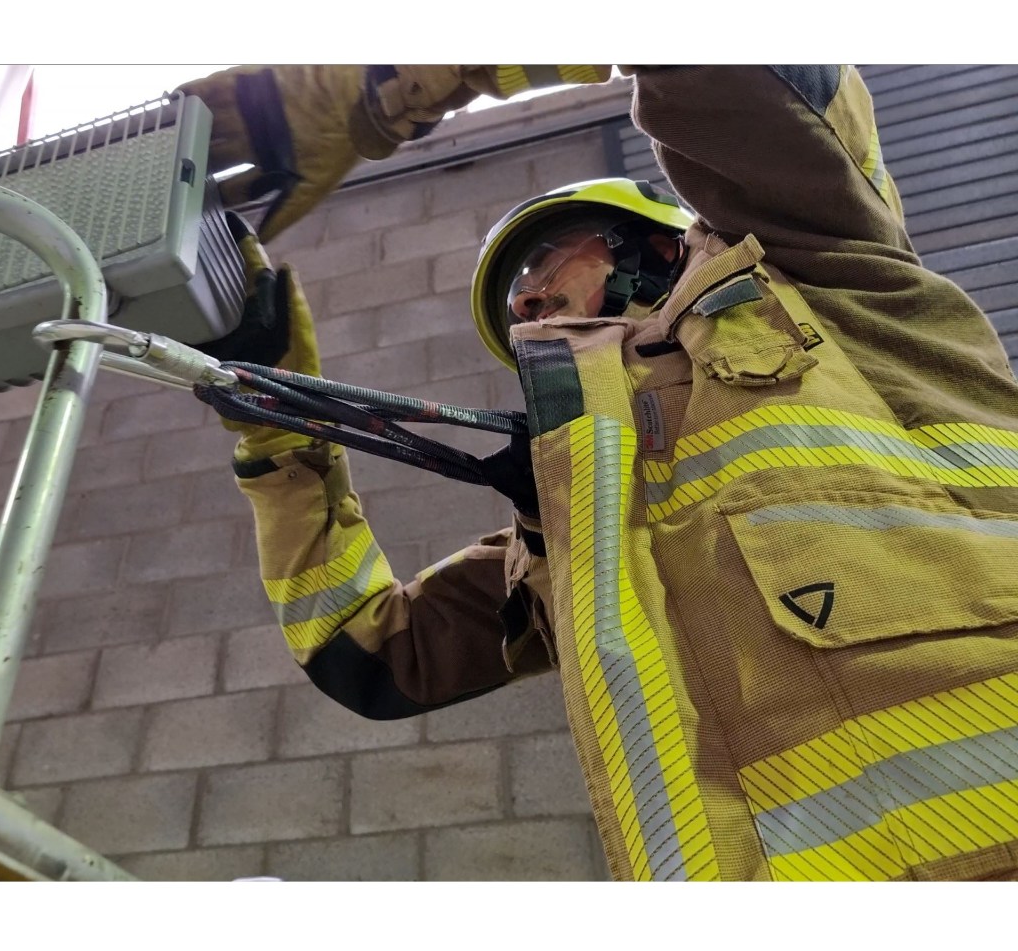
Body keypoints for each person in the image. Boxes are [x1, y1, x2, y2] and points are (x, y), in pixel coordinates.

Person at [180, 65, 1018, 882]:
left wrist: (394, 83)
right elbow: (369, 653)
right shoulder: (571, 537)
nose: (525, 304)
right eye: (515, 302)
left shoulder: (827, 272)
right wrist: (277, 429)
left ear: (657, 244)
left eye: (545, 264)